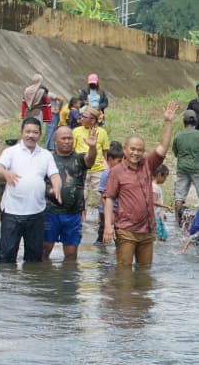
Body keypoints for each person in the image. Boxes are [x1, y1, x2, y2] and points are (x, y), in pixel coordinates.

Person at [102, 102, 178, 267]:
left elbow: (163, 147)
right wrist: (108, 226)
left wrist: (168, 122)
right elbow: (108, 199)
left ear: (143, 152)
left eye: (139, 150)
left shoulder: (147, 165)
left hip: (147, 230)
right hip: (126, 231)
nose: (136, 153)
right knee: (124, 272)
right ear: (125, 149)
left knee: (145, 273)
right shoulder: (117, 172)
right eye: (133, 149)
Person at [0, 117, 62, 264]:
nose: (31, 135)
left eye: (35, 132)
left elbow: (54, 175)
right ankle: (7, 286)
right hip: (12, 212)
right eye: (28, 131)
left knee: (34, 259)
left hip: (36, 213)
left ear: (40, 134)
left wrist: (57, 187)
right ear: (22, 132)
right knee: (6, 257)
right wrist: (6, 173)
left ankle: (31, 285)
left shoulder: (46, 155)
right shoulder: (10, 152)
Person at [44, 125, 98, 261]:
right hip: (50, 212)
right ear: (55, 140)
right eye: (63, 138)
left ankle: (68, 281)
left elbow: (90, 160)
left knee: (71, 254)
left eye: (70, 138)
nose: (67, 141)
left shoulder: (79, 159)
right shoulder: (47, 159)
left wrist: (92, 147)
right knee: (44, 251)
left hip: (73, 214)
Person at [73, 106, 110, 209]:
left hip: (98, 170)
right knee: (81, 196)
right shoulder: (76, 131)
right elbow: (72, 150)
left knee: (102, 195)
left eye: (84, 117)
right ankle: (82, 220)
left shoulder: (102, 132)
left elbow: (105, 151)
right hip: (81, 169)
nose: (81, 118)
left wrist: (107, 168)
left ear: (93, 120)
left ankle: (102, 219)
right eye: (82, 116)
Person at [172, 109, 199, 228]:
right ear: (196, 122)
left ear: (184, 121)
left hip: (182, 169)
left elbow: (175, 152)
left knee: (179, 197)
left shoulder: (178, 136)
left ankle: (178, 224)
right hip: (197, 168)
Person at [21, 74, 58, 149]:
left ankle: (25, 145)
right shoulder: (42, 92)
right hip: (38, 113)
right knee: (36, 129)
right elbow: (47, 104)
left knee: (27, 128)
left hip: (27, 113)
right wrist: (48, 117)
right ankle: (34, 146)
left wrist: (22, 115)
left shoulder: (26, 90)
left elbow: (23, 104)